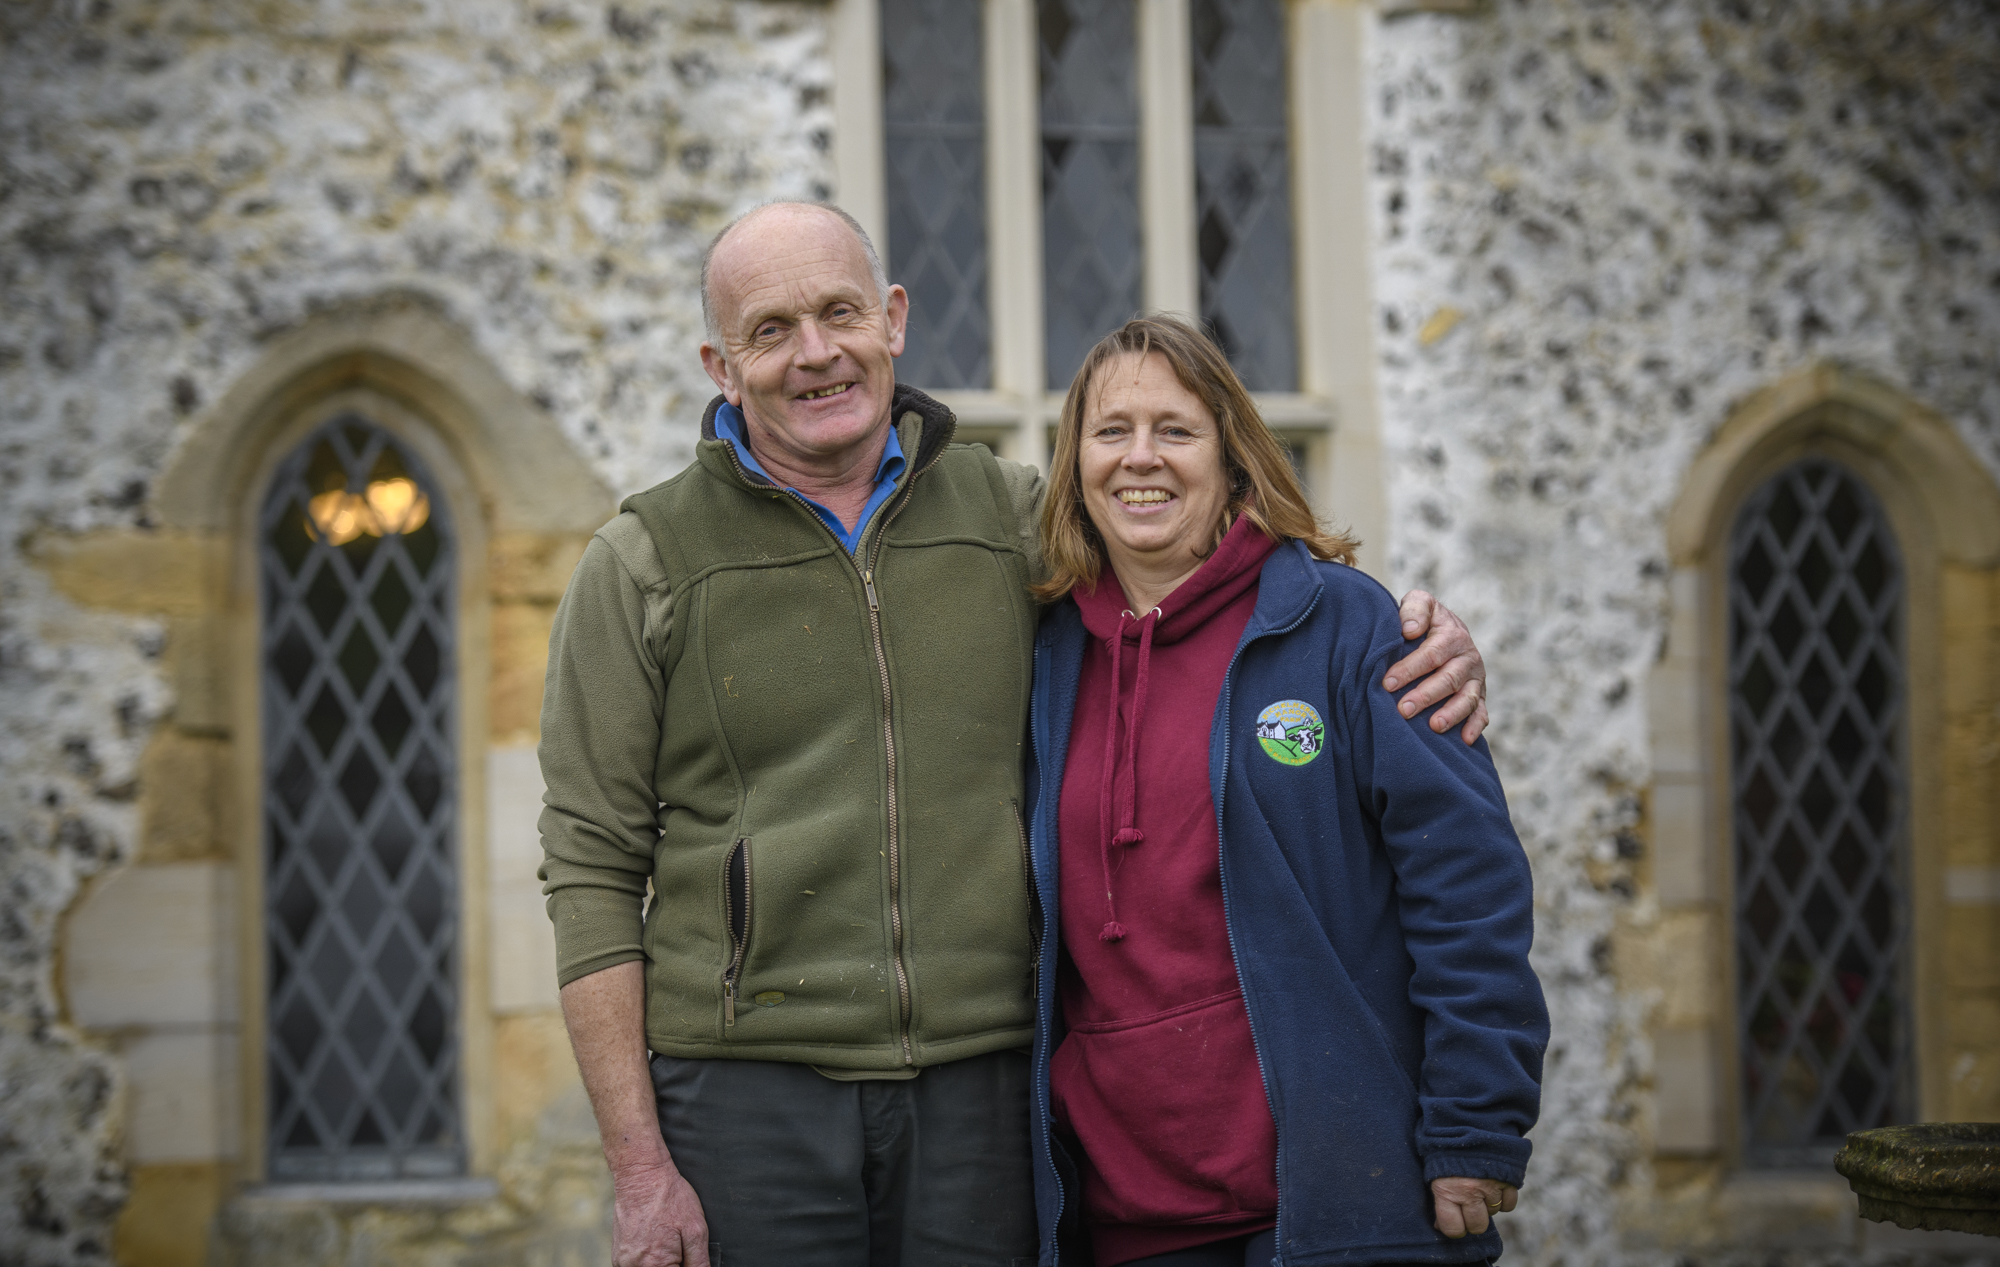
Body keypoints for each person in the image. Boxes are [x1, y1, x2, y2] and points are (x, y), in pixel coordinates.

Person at [537, 202, 1493, 1267]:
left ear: (892, 319)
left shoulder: (1010, 516)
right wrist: (636, 1167)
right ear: (720, 364)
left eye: (840, 311)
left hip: (982, 1091)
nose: (815, 353)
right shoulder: (641, 562)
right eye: (769, 330)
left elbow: (1179, 542)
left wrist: (1402, 632)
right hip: (746, 1089)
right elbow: (588, 869)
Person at [1023, 317, 1548, 1267]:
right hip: (1122, 1215)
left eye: (1175, 430)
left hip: (1336, 1200)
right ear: (1074, 463)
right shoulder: (1042, 656)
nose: (1140, 457)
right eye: (1111, 431)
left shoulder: (1348, 627)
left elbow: (1467, 886)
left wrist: (1477, 1125)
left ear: (1232, 458)